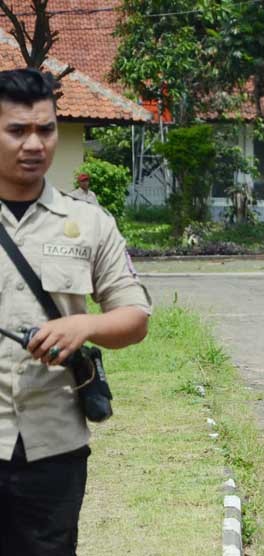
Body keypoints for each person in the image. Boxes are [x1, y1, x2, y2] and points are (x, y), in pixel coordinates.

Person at [0, 68, 151, 553]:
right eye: (17, 130)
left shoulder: (89, 223)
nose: (34, 144)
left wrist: (84, 324)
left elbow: (134, 316)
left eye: (45, 129)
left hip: (53, 446)